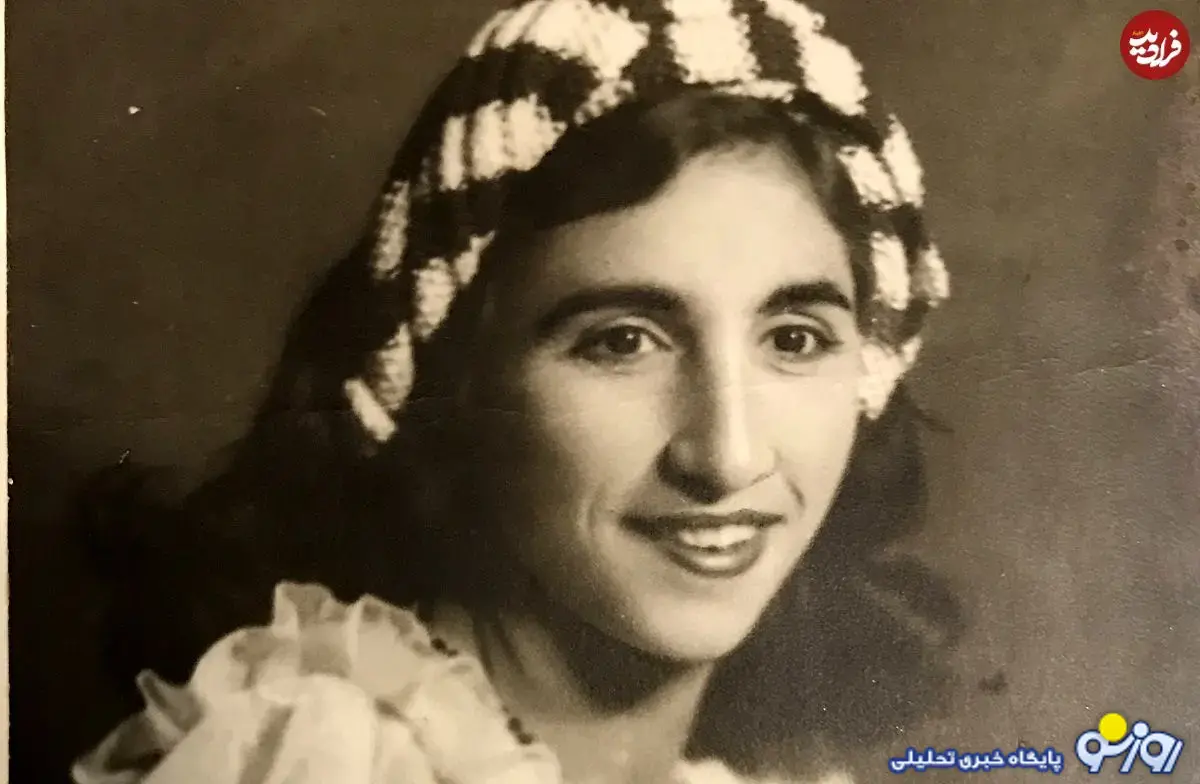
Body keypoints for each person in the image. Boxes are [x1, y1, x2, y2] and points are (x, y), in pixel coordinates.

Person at [72, 1, 965, 782]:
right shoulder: (314, 762)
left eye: (795, 339)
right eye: (622, 342)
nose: (728, 456)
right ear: (450, 379)